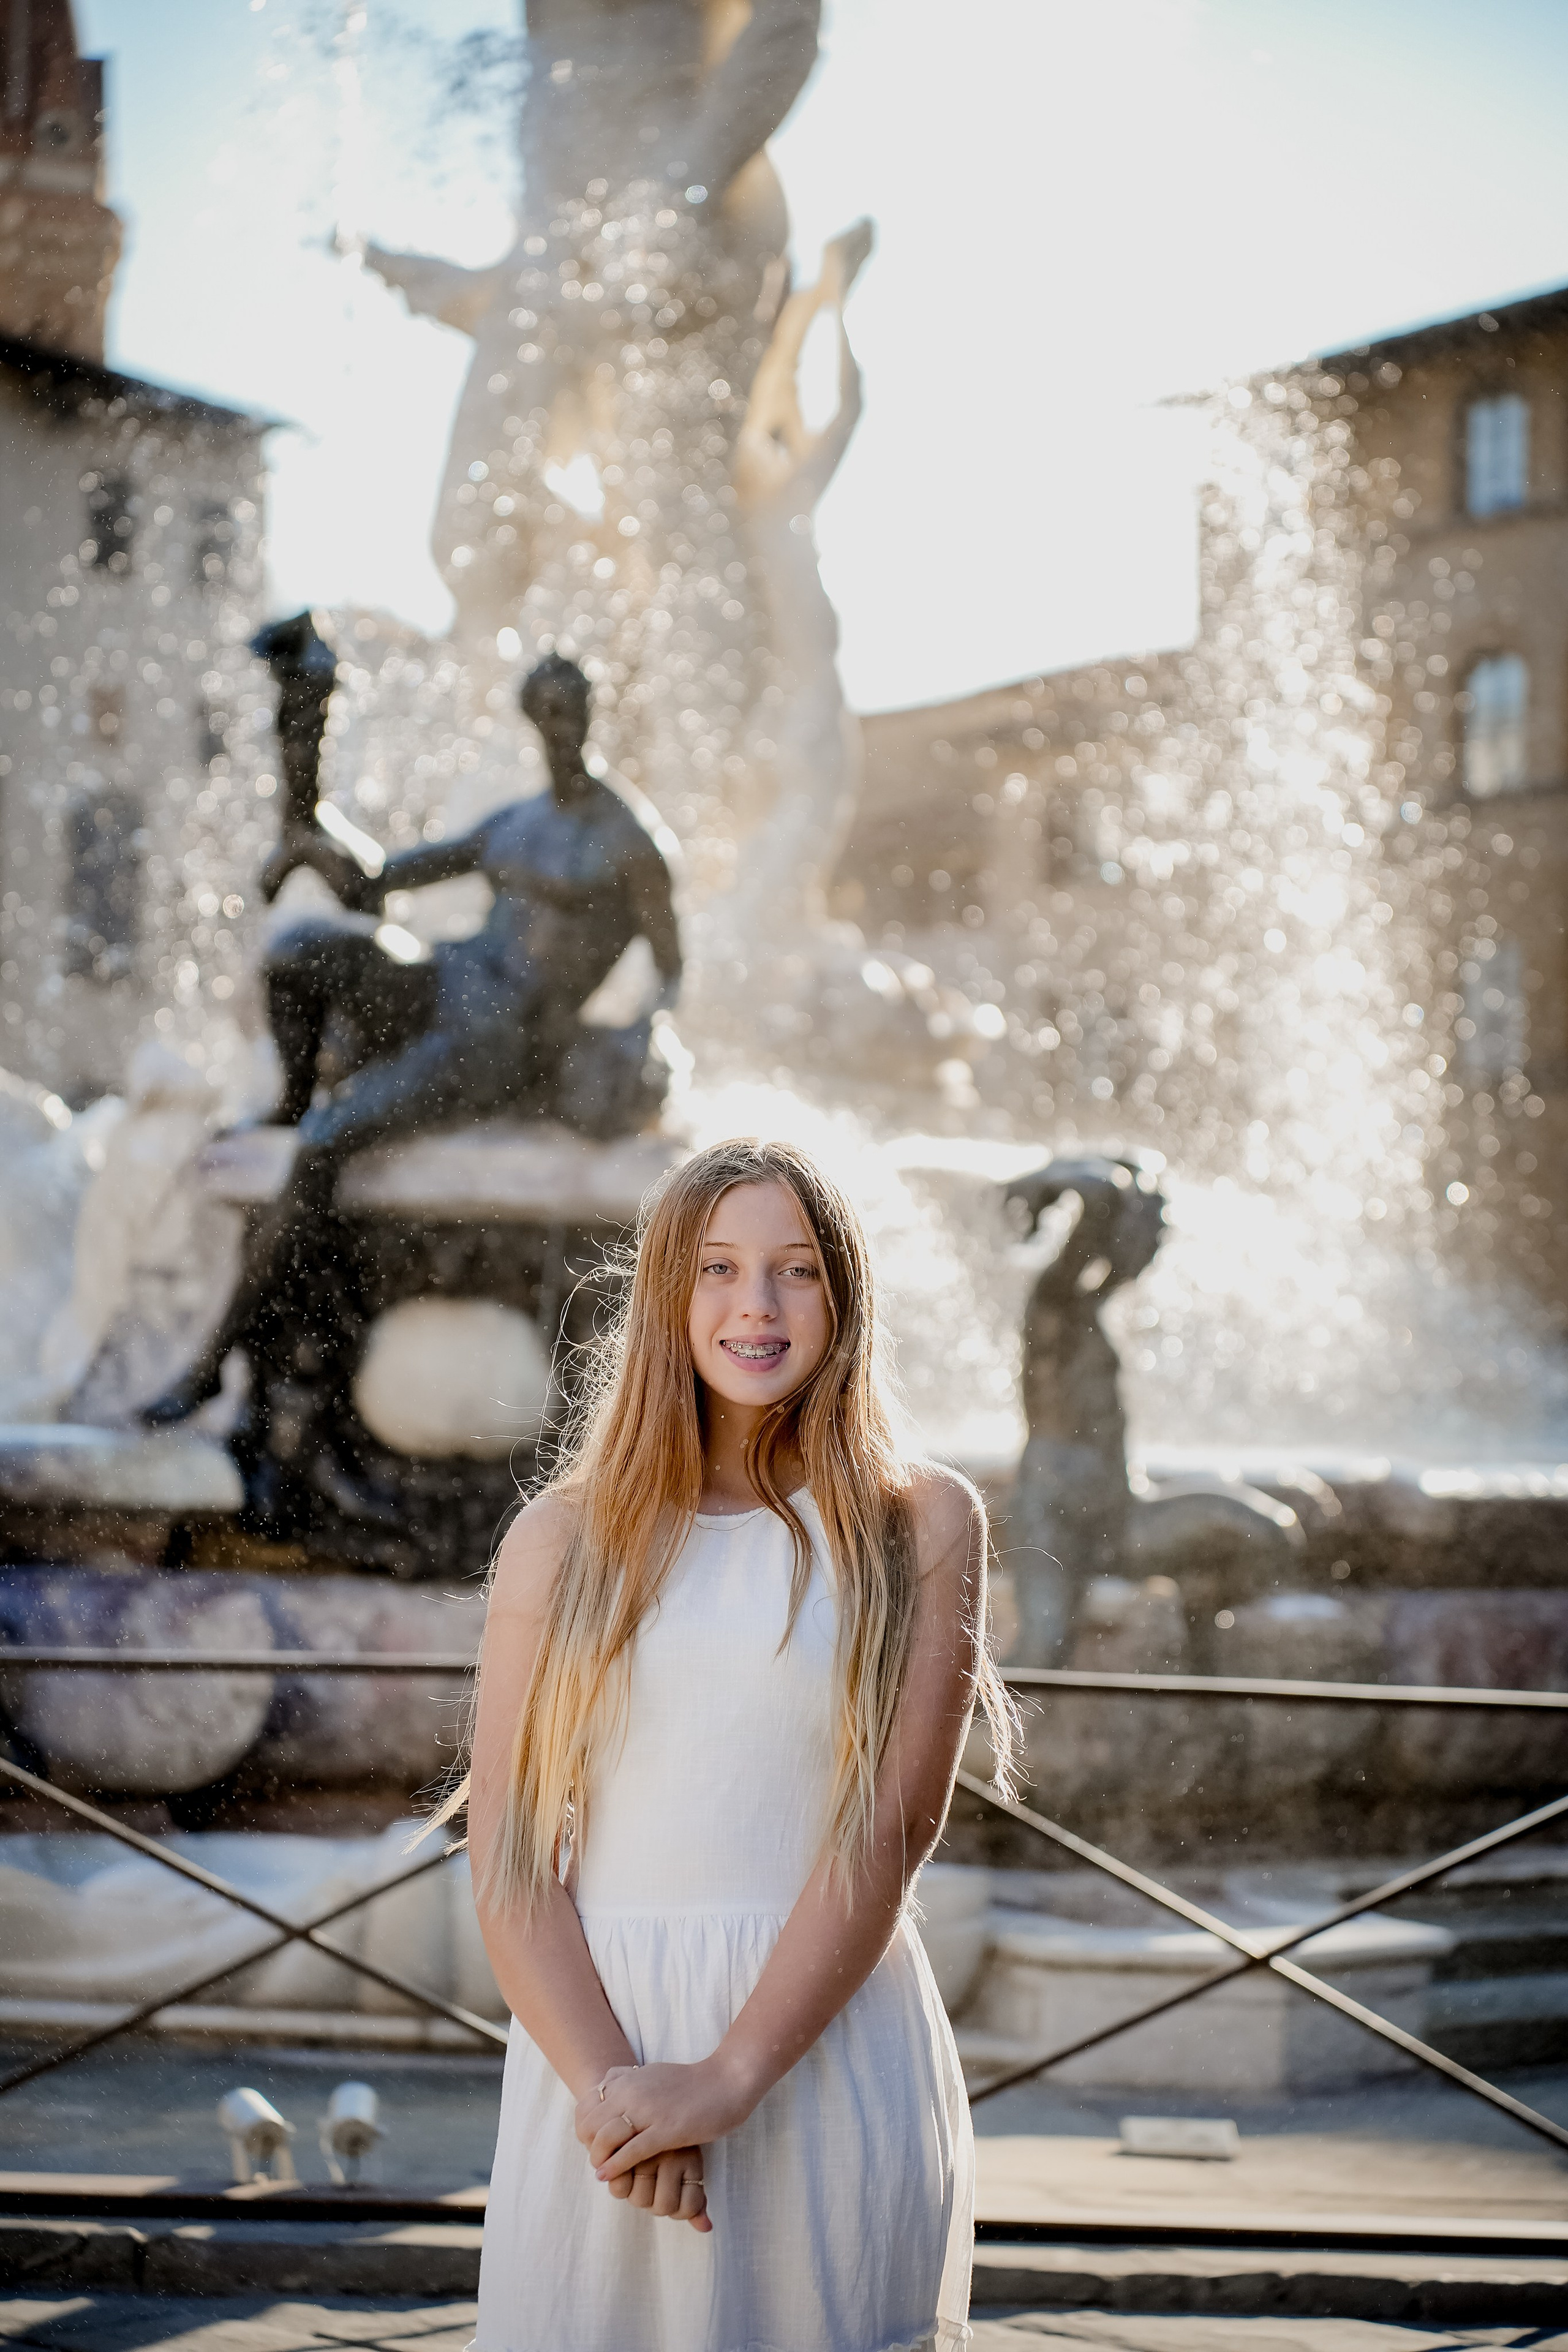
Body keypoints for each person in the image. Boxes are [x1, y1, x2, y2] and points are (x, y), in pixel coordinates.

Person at [450, 1136, 1016, 2349]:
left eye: (794, 1269)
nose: (754, 1306)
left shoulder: (917, 1521)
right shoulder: (562, 1540)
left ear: (843, 1294)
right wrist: (618, 2098)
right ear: (664, 1293)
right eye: (714, 1268)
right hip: (596, 2054)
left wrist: (725, 2081)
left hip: (816, 2046)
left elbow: (887, 1833)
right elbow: (504, 1855)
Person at [143, 650, 679, 1426]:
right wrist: (307, 795)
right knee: (299, 948)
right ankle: (290, 1103)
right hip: (448, 983)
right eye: (547, 713)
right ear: (531, 720)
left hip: (502, 1040)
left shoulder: (630, 843)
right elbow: (375, 882)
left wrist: (645, 1035)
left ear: (592, 715)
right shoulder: (516, 823)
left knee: (328, 1146)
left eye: (572, 711)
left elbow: (672, 966)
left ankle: (215, 1358)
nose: (560, 727)